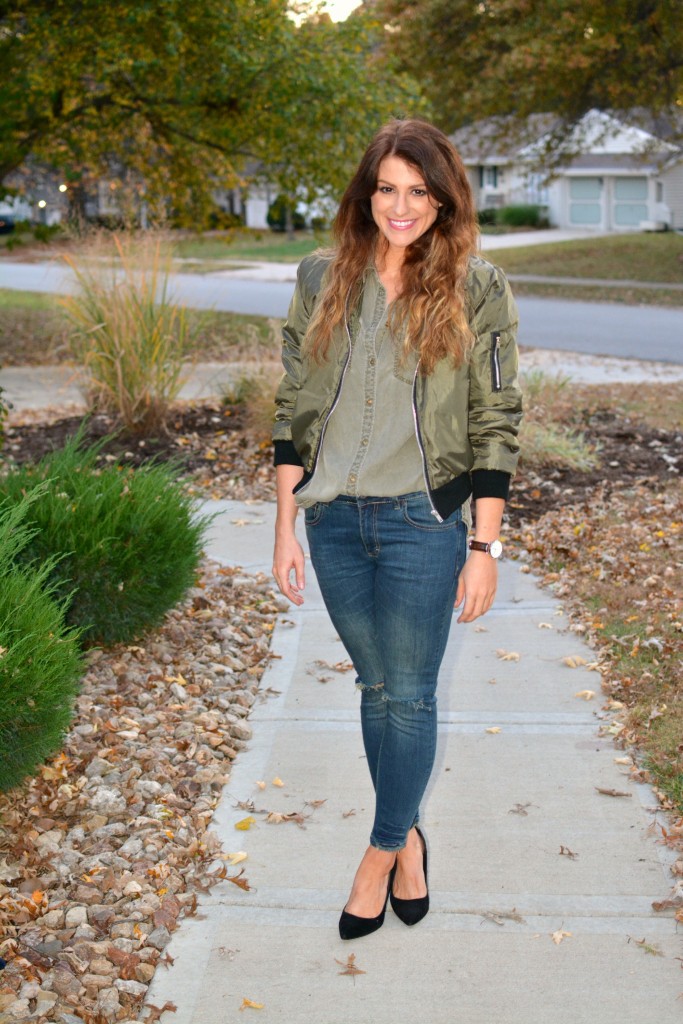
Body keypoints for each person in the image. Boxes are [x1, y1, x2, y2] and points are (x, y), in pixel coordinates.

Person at [271, 118, 522, 940]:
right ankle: (410, 836)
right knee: (375, 687)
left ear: (443, 201)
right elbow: (294, 408)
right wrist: (284, 524)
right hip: (334, 519)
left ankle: (379, 854)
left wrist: (483, 546)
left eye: (418, 191)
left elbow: (495, 418)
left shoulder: (475, 287)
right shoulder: (321, 278)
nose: (400, 206)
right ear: (364, 193)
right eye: (386, 188)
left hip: (425, 520)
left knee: (408, 697)